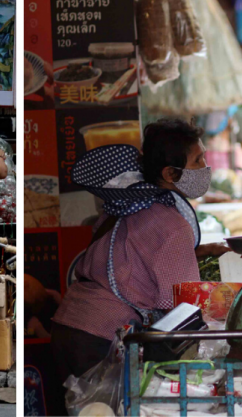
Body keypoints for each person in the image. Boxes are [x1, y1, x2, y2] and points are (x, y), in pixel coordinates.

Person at [50, 118, 230, 388]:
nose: (206, 167)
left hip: (68, 326)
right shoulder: (172, 224)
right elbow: (179, 307)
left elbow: (134, 255)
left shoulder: (124, 205)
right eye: (197, 161)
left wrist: (201, 252)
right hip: (101, 338)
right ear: (170, 174)